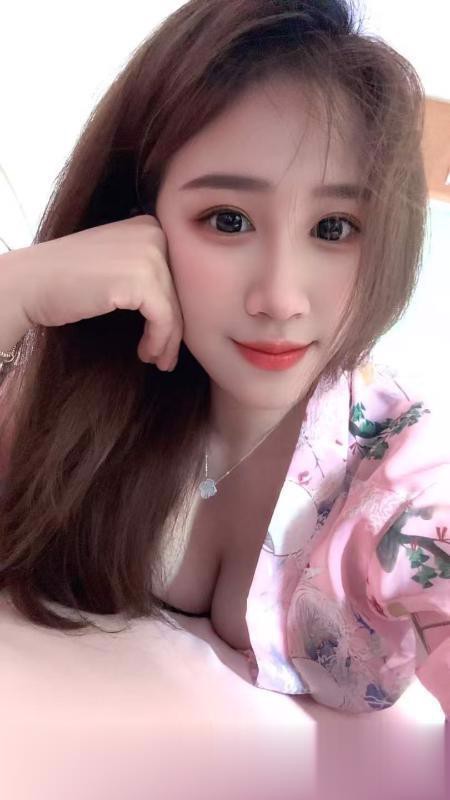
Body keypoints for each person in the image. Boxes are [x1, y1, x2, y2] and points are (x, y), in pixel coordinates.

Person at [0, 0, 448, 716]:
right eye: (228, 220)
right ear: (138, 213)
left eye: (335, 228)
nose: (280, 297)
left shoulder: (407, 485)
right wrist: (13, 292)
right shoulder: (82, 396)